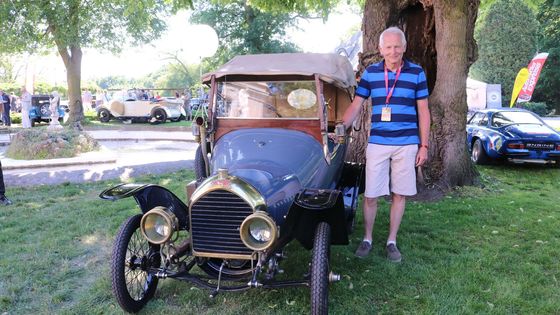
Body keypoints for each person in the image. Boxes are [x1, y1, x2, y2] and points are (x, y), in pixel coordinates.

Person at [342, 27, 430, 262]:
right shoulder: (370, 73)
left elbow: (424, 111)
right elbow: (356, 105)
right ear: (381, 49)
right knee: (371, 195)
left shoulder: (417, 73)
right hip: (378, 143)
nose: (393, 51)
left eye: (397, 46)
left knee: (399, 194)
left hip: (407, 143)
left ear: (404, 47)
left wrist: (424, 146)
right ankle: (367, 238)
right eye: (388, 47)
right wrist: (340, 127)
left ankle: (392, 241)